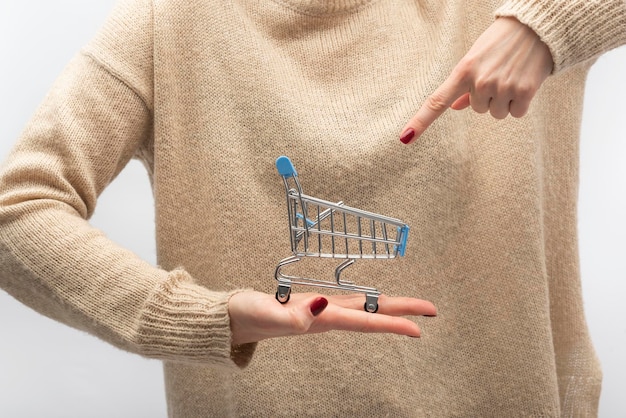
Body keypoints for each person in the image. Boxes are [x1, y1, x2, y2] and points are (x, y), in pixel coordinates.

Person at [0, 0, 624, 416]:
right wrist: (204, 316)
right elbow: (18, 211)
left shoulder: (506, 10)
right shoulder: (173, 23)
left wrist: (552, 23)